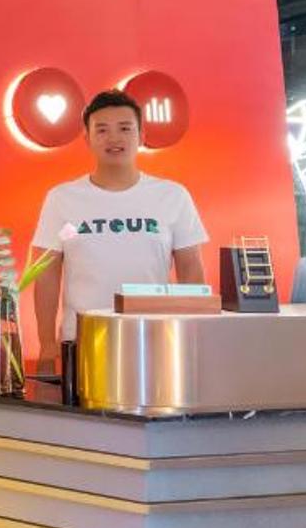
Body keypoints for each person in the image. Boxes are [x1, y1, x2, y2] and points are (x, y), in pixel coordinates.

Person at [29, 91, 208, 380]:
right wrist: (47, 347)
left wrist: (195, 337)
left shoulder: (172, 196)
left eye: (125, 128)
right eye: (102, 130)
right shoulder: (62, 199)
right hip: (84, 342)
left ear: (141, 135)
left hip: (157, 338)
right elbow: (46, 273)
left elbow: (191, 270)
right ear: (87, 139)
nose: (114, 138)